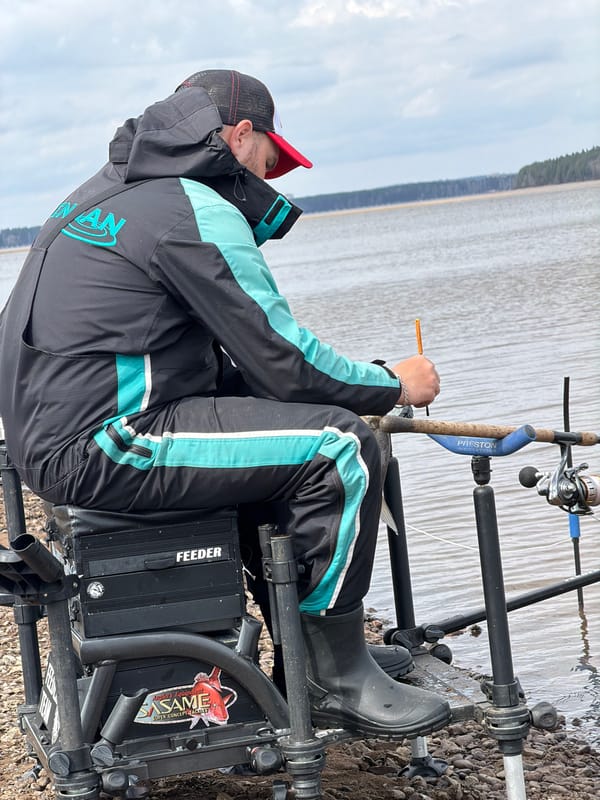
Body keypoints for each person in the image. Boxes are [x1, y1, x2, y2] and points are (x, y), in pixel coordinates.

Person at [0, 69, 449, 738]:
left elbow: (217, 359)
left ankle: (312, 648)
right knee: (342, 445)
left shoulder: (107, 192)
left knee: (287, 437)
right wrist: (392, 382)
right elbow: (283, 360)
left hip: (59, 437)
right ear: (240, 135)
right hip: (110, 439)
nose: (269, 182)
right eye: (269, 162)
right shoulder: (191, 205)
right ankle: (335, 678)